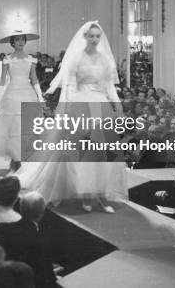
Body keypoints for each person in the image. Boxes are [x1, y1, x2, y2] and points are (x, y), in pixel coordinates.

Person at [15, 21, 128, 212]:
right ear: (85, 37)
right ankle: (84, 194)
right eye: (91, 36)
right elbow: (70, 85)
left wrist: (117, 107)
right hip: (80, 103)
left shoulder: (106, 60)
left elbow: (109, 86)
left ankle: (100, 193)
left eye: (97, 36)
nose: (94, 39)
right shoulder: (76, 58)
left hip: (100, 106)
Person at [0, 31, 44, 171]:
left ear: (25, 41)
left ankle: (24, 159)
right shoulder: (7, 59)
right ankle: (15, 158)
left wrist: (40, 97)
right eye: (17, 39)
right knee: (13, 127)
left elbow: (34, 79)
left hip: (28, 94)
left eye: (22, 39)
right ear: (12, 42)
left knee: (26, 126)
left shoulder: (31, 59)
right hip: (12, 94)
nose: (20, 42)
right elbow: (2, 81)